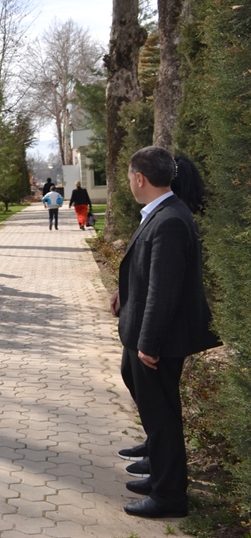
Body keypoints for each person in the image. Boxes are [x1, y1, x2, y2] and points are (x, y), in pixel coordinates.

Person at [109, 147, 221, 519]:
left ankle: (169, 495)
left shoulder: (170, 219)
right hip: (146, 329)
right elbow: (148, 272)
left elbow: (164, 289)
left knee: (163, 418)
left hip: (159, 339)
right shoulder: (161, 213)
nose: (129, 182)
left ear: (140, 178)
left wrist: (149, 343)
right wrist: (124, 293)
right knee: (155, 410)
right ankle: (159, 471)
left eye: (129, 176)